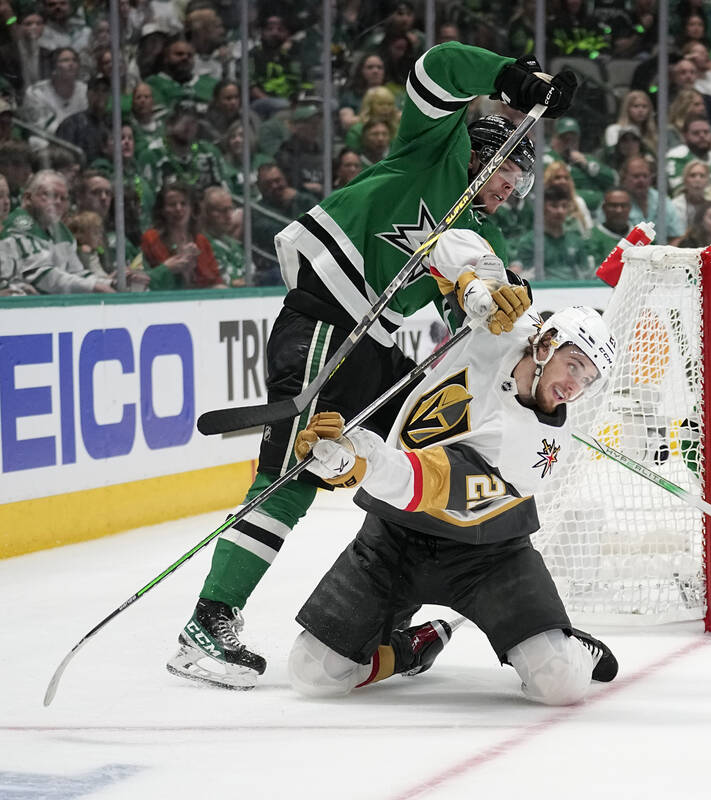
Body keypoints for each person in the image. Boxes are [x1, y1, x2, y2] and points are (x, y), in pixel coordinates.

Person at [167, 42, 577, 690]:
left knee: (420, 455)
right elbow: (435, 68)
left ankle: (391, 610)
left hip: (376, 348)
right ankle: (208, 620)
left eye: (520, 186)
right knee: (290, 478)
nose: (510, 192)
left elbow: (480, 296)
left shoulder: (482, 233)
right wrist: (509, 79)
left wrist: (503, 307)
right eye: (509, 175)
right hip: (327, 322)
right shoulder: (432, 151)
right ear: (488, 152)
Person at [287, 306, 620, 705]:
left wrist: (358, 458)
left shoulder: (536, 449)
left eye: (587, 380)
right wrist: (473, 281)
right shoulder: (505, 324)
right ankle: (413, 647)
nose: (574, 386)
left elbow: (428, 481)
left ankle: (568, 645)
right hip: (395, 539)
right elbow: (448, 249)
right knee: (313, 672)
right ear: (547, 343)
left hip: (489, 556)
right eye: (574, 365)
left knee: (560, 683)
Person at [2, 169, 120, 293]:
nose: (58, 202)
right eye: (50, 195)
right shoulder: (18, 225)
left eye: (63, 198)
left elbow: (77, 273)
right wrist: (92, 287)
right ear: (27, 198)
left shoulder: (61, 231)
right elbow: (41, 277)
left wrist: (112, 283)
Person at [139, 182, 224, 290]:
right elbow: (140, 281)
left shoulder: (201, 241)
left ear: (192, 208)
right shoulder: (150, 239)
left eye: (183, 204)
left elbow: (215, 280)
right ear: (162, 210)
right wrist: (167, 269)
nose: (179, 209)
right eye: (172, 204)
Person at [666, 113, 711, 192]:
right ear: (685, 136)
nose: (702, 136)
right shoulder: (675, 157)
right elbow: (678, 189)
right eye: (696, 133)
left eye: (706, 132)